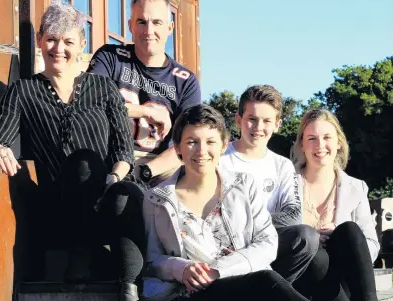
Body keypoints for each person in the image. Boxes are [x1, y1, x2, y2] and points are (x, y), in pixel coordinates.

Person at [0, 0, 144, 301]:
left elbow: (123, 152)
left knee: (123, 191)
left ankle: (129, 284)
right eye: (51, 38)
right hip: (57, 206)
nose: (58, 48)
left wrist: (113, 179)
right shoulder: (24, 91)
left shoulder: (103, 88)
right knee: (80, 163)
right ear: (39, 39)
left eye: (68, 41)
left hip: (103, 198)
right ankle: (81, 259)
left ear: (82, 44)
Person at [142, 104, 310, 301]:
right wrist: (182, 269)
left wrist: (217, 271)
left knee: (266, 280)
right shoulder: (156, 199)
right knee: (266, 281)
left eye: (210, 141)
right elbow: (152, 261)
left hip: (241, 283)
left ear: (223, 145)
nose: (201, 151)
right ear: (177, 147)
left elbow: (267, 243)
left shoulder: (245, 186)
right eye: (191, 142)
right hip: (188, 294)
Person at [87, 0, 201, 187]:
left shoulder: (186, 80)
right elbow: (88, 100)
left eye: (157, 22)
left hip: (159, 167)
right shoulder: (111, 57)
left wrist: (144, 172)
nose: (148, 30)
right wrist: (145, 111)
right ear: (130, 25)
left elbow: (188, 143)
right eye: (141, 22)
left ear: (170, 27)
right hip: (109, 157)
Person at [219, 85, 319, 283]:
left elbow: (293, 214)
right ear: (239, 120)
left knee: (306, 237)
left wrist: (250, 229)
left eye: (266, 121)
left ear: (277, 124)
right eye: (252, 119)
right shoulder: (218, 158)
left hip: (268, 241)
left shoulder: (282, 165)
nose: (258, 128)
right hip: (223, 242)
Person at [290, 108, 380, 301]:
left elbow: (371, 246)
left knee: (349, 230)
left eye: (327, 137)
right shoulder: (285, 184)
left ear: (338, 142)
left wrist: (337, 237)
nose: (320, 145)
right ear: (302, 145)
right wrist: (310, 238)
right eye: (312, 138)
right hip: (302, 277)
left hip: (343, 281)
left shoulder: (356, 188)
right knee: (315, 255)